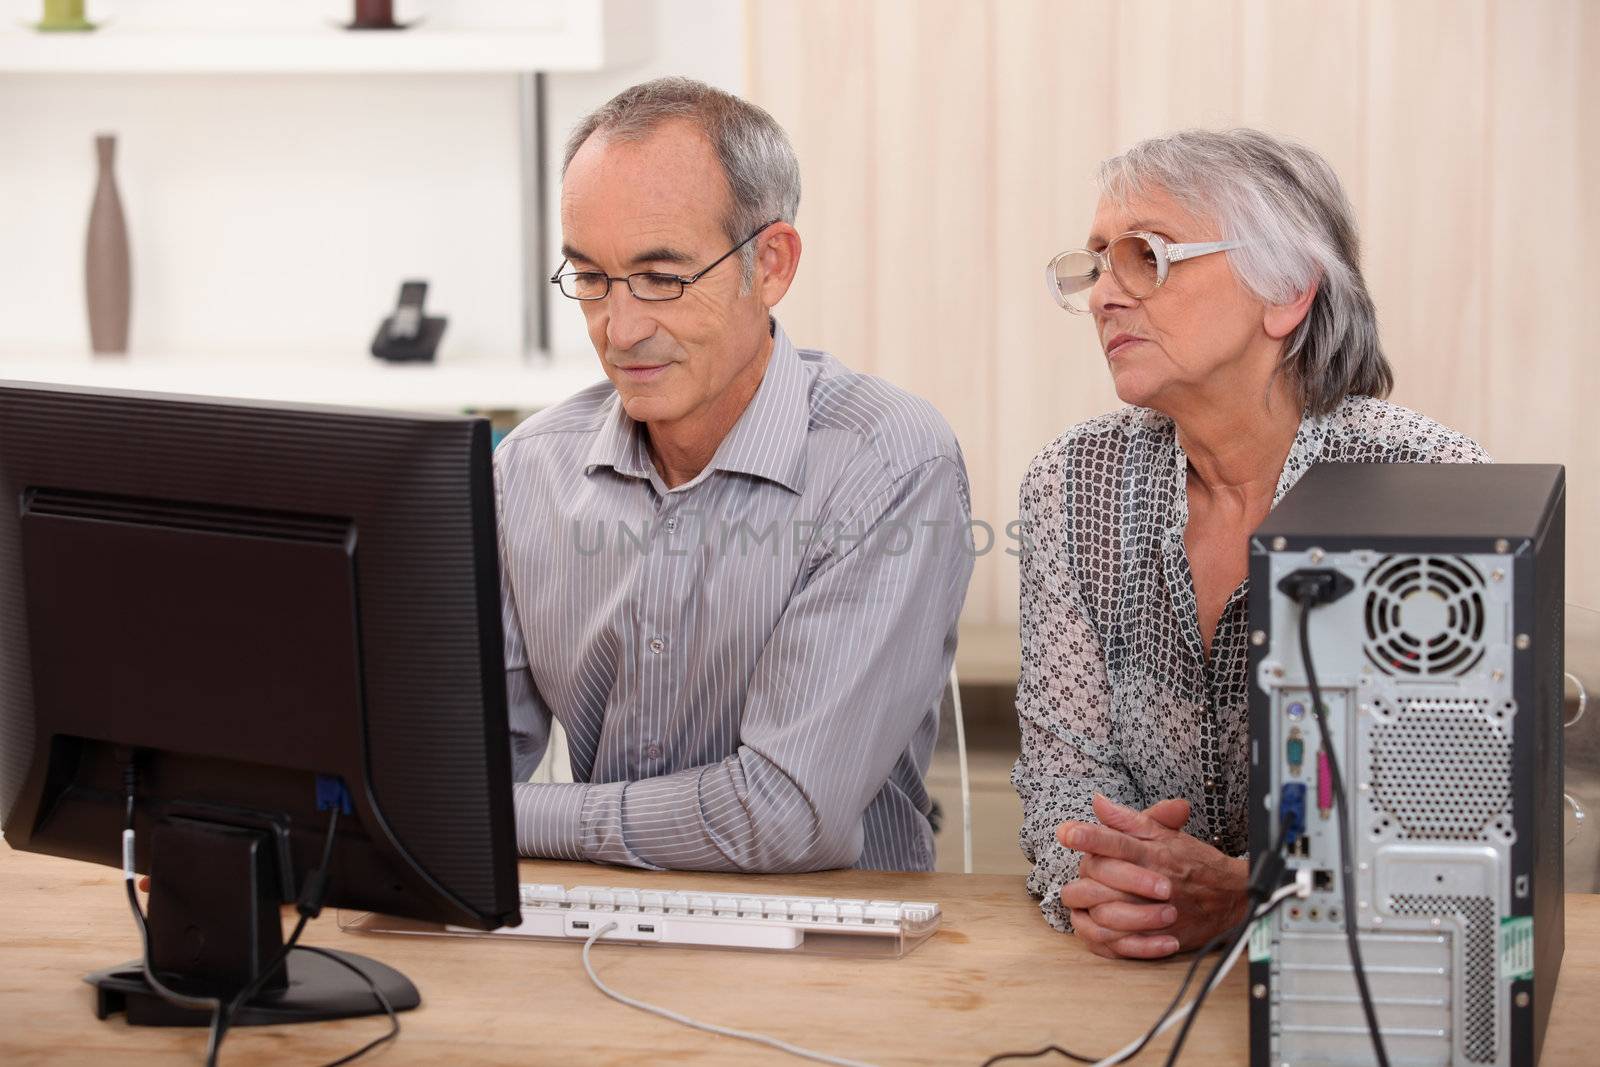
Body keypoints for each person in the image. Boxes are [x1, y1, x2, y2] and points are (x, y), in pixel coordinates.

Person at [1013, 128, 1488, 955]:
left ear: (1288, 292)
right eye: (1095, 263)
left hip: (1367, 983)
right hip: (1137, 972)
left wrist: (1252, 896)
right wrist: (1109, 883)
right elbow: (1063, 773)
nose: (1102, 296)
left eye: (1147, 257)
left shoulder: (1431, 486)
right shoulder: (1072, 480)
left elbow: (1448, 821)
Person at [496, 77, 973, 873]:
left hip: (834, 960)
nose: (621, 328)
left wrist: (512, 816)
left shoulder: (886, 463)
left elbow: (782, 818)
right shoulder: (530, 469)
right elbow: (453, 778)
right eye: (589, 276)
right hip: (593, 948)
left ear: (772, 262)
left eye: (662, 277)